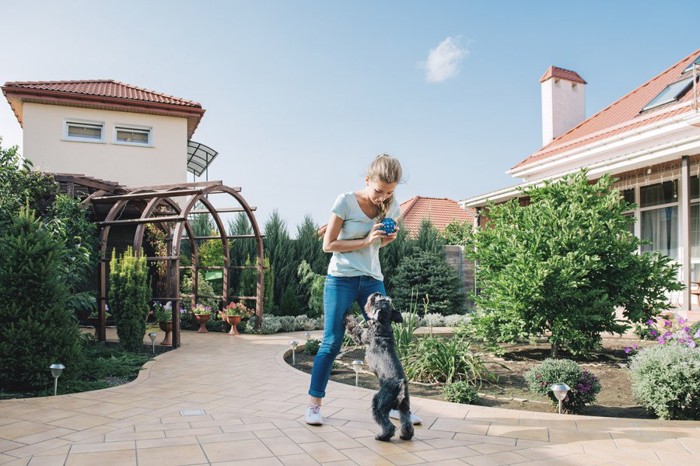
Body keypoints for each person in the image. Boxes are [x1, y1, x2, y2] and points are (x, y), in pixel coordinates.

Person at [305, 154, 421, 426]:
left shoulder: (392, 207)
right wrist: (367, 239)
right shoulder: (345, 201)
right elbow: (328, 245)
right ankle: (314, 405)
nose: (383, 197)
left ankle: (395, 406)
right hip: (341, 279)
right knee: (331, 342)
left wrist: (385, 240)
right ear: (367, 180)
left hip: (372, 279)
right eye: (378, 190)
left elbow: (377, 246)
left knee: (384, 344)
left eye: (389, 192)